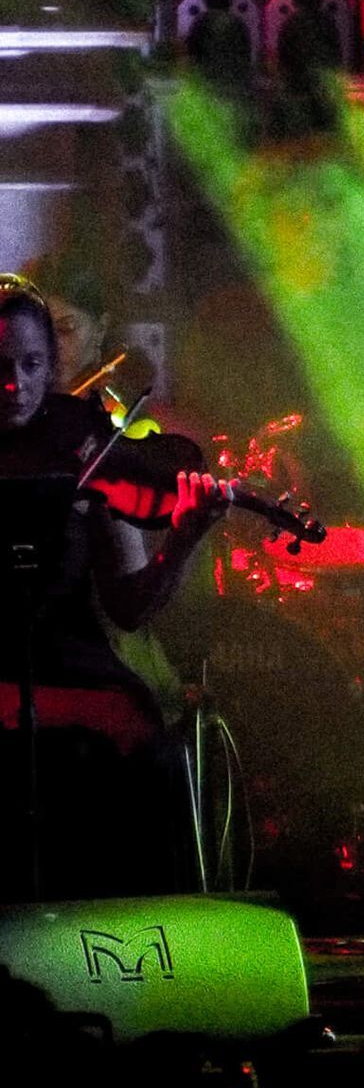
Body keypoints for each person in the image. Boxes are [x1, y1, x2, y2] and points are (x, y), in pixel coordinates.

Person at [0, 274, 230, 896]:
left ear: (52, 366)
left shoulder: (81, 440)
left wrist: (182, 537)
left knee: (143, 744)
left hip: (73, 672)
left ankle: (145, 947)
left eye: (32, 364)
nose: (15, 385)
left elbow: (130, 606)